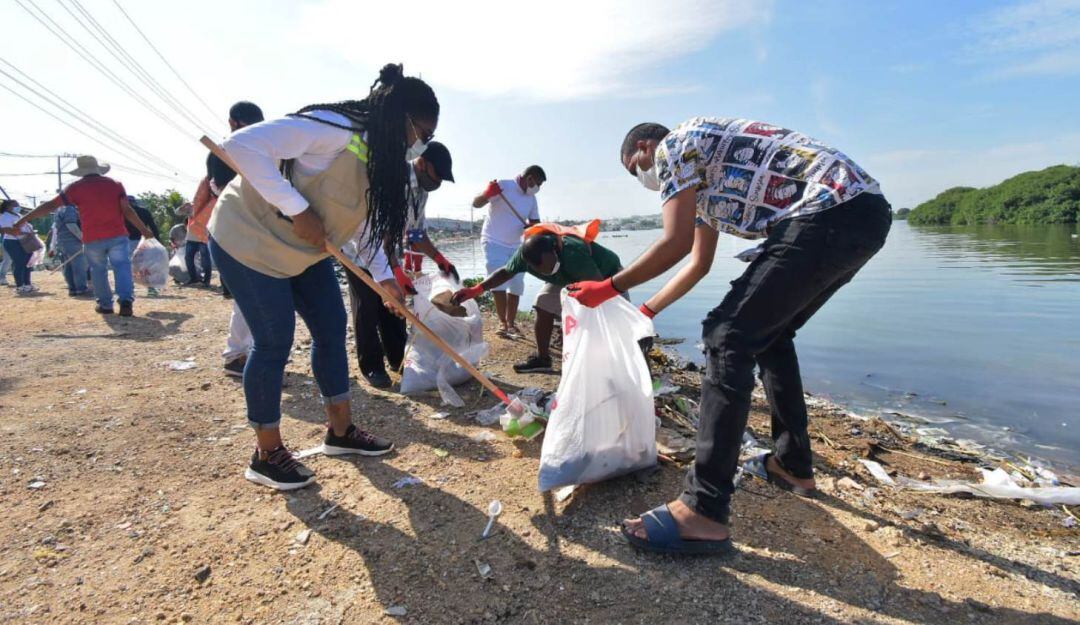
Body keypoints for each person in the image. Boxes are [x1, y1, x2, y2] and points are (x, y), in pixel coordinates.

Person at [568, 118, 892, 555]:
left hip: (828, 210)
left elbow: (674, 242)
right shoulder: (703, 182)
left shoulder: (676, 146)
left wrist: (607, 288)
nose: (643, 177)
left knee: (727, 336)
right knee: (771, 335)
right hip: (864, 213)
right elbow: (698, 263)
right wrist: (644, 312)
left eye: (635, 167)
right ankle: (791, 464)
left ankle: (703, 509)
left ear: (645, 146)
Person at [208, 63, 438, 490]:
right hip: (248, 239)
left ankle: (341, 432)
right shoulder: (333, 128)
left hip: (306, 252)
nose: (420, 146)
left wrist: (386, 279)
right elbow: (240, 146)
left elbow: (365, 227)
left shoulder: (385, 163)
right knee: (274, 339)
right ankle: (267, 453)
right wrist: (297, 208)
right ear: (401, 119)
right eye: (422, 134)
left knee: (332, 329)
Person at [347, 141, 456, 389]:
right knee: (368, 306)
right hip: (361, 250)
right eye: (437, 175)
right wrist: (395, 270)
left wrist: (439, 259)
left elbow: (416, 233)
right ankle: (372, 366)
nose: (438, 183)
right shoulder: (392, 179)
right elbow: (379, 229)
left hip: (389, 253)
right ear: (422, 162)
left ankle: (398, 359)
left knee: (395, 307)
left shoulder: (422, 192)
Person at [453, 221, 622, 373]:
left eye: (550, 266)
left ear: (556, 250)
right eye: (541, 270)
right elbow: (505, 272)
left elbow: (599, 292)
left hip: (607, 277)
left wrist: (571, 323)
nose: (546, 272)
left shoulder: (573, 252)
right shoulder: (524, 255)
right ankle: (543, 359)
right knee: (543, 303)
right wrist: (476, 290)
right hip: (566, 278)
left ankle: (612, 365)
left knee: (609, 320)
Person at [5, 156, 153, 315]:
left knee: (98, 270)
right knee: (122, 266)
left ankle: (105, 305)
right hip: (117, 235)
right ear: (97, 169)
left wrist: (23, 220)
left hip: (92, 237)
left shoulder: (75, 188)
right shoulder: (114, 185)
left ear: (81, 171)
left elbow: (50, 206)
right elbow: (127, 210)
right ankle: (125, 301)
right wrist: (144, 230)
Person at [190, 101, 265, 377]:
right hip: (238, 231)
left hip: (247, 231)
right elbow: (227, 191)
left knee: (252, 296)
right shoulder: (226, 153)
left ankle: (247, 352)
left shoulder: (241, 150)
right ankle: (237, 354)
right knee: (250, 296)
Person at [471, 165, 545, 337]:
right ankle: (503, 323)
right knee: (497, 282)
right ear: (529, 179)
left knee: (517, 284)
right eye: (538, 184)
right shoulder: (503, 185)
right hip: (493, 241)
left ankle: (512, 323)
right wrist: (487, 193)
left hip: (517, 245)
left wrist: (532, 227)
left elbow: (536, 223)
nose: (538, 188)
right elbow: (476, 203)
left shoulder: (531, 199)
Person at [124, 196, 161, 295]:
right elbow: (153, 226)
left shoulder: (123, 212)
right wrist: (157, 241)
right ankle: (151, 288)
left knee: (127, 266)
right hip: (142, 241)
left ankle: (129, 288)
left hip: (125, 242)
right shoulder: (144, 212)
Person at [0, 200, 38, 294]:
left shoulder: (18, 216)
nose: (18, 206)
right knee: (19, 263)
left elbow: (25, 227)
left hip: (25, 241)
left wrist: (30, 232)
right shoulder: (4, 216)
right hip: (12, 242)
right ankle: (19, 286)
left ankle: (27, 284)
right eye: (15, 205)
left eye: (18, 204)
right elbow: (8, 230)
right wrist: (26, 233)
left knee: (28, 263)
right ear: (8, 206)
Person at [53, 203, 89, 296]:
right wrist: (83, 238)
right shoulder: (69, 209)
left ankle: (72, 288)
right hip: (73, 241)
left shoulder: (60, 209)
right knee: (79, 266)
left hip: (63, 241)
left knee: (68, 266)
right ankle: (81, 288)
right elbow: (71, 225)